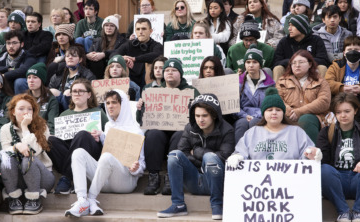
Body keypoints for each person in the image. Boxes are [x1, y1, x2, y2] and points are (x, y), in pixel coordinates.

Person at [64, 89, 145, 217]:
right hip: (104, 180)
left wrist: (136, 168)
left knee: (107, 156)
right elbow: (109, 148)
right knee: (78, 153)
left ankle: (91, 198)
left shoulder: (137, 131)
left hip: (125, 182)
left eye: (114, 102)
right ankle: (82, 200)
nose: (110, 106)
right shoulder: (107, 126)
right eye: (107, 103)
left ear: (123, 105)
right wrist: (101, 136)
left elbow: (141, 165)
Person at [157, 93, 234, 220]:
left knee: (210, 158)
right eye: (197, 116)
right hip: (193, 179)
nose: (200, 120)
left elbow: (225, 157)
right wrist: (200, 162)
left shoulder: (227, 130)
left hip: (216, 181)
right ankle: (178, 204)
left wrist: (197, 152)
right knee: (174, 155)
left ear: (214, 115)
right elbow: (183, 151)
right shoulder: (190, 128)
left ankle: (217, 205)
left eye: (205, 116)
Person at [317, 92, 360, 222]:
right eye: (339, 112)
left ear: (355, 111)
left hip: (359, 179)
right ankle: (343, 212)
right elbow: (324, 159)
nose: (343, 115)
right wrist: (316, 155)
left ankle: (358, 211)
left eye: (347, 111)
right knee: (323, 169)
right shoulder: (326, 132)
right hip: (337, 181)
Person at [140, 58, 200, 195]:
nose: (169, 73)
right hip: (161, 131)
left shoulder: (191, 91)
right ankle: (153, 177)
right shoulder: (154, 92)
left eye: (174, 70)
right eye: (167, 70)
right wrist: (140, 109)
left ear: (181, 73)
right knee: (152, 134)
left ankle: (171, 177)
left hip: (181, 132)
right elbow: (143, 120)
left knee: (180, 135)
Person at [227, 87, 321, 165]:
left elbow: (307, 154)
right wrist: (238, 156)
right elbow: (241, 151)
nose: (274, 113)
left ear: (283, 113)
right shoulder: (252, 132)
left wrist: (312, 154)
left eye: (278, 110)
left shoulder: (296, 132)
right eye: (270, 110)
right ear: (263, 113)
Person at [48, 78, 109, 195]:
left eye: (81, 91)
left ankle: (66, 178)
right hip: (68, 152)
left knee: (82, 134)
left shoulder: (98, 112)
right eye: (74, 91)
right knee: (50, 140)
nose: (77, 94)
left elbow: (110, 135)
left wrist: (100, 134)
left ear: (89, 95)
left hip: (90, 154)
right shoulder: (64, 114)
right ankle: (70, 174)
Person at [0, 94, 54, 215]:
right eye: (21, 108)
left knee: (28, 158)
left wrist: (24, 128)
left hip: (42, 178)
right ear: (13, 111)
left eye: (30, 109)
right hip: (17, 177)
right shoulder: (5, 129)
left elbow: (34, 151)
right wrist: (16, 146)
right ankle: (14, 197)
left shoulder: (42, 127)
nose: (26, 112)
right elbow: (4, 153)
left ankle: (34, 199)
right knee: (6, 161)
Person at [276, 50, 331, 143]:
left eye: (301, 62)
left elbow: (324, 101)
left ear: (310, 64)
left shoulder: (320, 81)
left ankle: (311, 153)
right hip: (288, 115)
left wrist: (300, 112)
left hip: (313, 117)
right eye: (294, 63)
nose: (297, 65)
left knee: (306, 119)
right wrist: (290, 112)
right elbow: (277, 99)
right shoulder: (282, 81)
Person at [325, 36, 360, 127]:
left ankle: (358, 126)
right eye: (349, 49)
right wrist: (343, 88)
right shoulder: (335, 66)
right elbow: (327, 83)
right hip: (340, 100)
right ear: (344, 53)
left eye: (356, 49)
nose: (352, 52)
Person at [234, 45, 275, 143]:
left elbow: (271, 105)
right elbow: (234, 106)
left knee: (254, 122)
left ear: (260, 64)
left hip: (262, 116)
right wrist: (244, 115)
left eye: (254, 62)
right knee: (241, 124)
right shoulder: (238, 82)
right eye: (248, 62)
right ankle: (238, 153)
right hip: (243, 116)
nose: (251, 65)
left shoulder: (269, 83)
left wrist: (256, 116)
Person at [273, 14, 330, 82]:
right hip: (290, 71)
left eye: (293, 25)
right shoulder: (284, 41)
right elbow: (276, 62)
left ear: (301, 28)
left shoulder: (316, 40)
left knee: (322, 68)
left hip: (310, 71)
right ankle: (277, 92)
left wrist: (305, 62)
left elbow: (323, 60)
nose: (289, 28)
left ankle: (321, 91)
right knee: (278, 68)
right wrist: (294, 62)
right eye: (289, 25)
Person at [112, 18, 163, 88]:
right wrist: (122, 58)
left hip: (147, 80)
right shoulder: (129, 44)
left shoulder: (156, 45)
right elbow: (114, 54)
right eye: (138, 29)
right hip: (130, 78)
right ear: (135, 31)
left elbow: (157, 55)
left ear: (151, 31)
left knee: (151, 64)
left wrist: (135, 59)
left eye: (144, 29)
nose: (141, 32)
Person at [0, 30, 38, 94]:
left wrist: (5, 75)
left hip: (22, 87)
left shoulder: (29, 56)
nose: (11, 46)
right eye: (8, 43)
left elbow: (24, 70)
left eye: (14, 43)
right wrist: (7, 69)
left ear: (22, 44)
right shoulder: (3, 57)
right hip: (7, 86)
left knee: (19, 82)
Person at [49, 45, 96, 111]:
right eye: (67, 56)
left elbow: (92, 93)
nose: (70, 58)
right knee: (52, 91)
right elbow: (49, 89)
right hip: (59, 105)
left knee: (67, 93)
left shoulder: (87, 74)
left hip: (79, 104)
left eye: (74, 56)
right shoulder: (59, 73)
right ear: (65, 59)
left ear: (80, 60)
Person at [87, 15, 127, 79]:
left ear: (116, 28)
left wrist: (104, 54)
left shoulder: (122, 41)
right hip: (99, 71)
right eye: (106, 25)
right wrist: (88, 55)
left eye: (112, 25)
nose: (109, 28)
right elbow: (90, 52)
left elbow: (119, 52)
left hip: (115, 70)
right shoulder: (97, 41)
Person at [26, 63, 59, 135]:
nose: (31, 80)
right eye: (29, 77)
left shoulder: (51, 100)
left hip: (43, 135)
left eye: (35, 77)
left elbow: (52, 125)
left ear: (42, 80)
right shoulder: (23, 99)